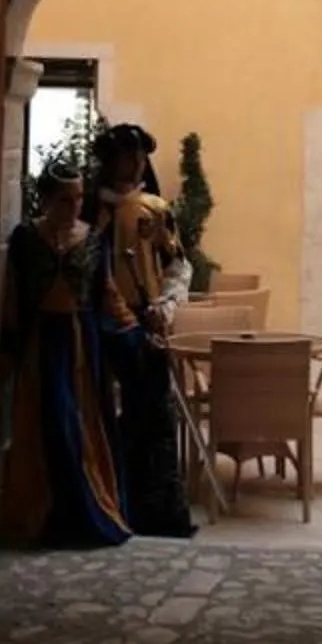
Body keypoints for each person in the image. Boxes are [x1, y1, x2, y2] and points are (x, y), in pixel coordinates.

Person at [0, 153, 131, 548]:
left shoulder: (92, 239)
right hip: (41, 342)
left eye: (78, 199)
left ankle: (82, 514)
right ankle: (42, 514)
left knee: (79, 425)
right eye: (65, 200)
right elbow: (13, 298)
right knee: (46, 423)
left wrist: (137, 331)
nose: (73, 207)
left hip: (79, 343)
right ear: (47, 200)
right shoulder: (26, 239)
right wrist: (8, 348)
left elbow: (108, 294)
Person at [86, 122, 197, 539]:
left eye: (138, 157)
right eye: (123, 156)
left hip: (145, 325)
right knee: (101, 416)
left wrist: (166, 305)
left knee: (151, 418)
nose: (132, 165)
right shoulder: (87, 210)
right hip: (97, 328)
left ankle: (156, 511)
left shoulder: (155, 209)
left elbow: (178, 265)